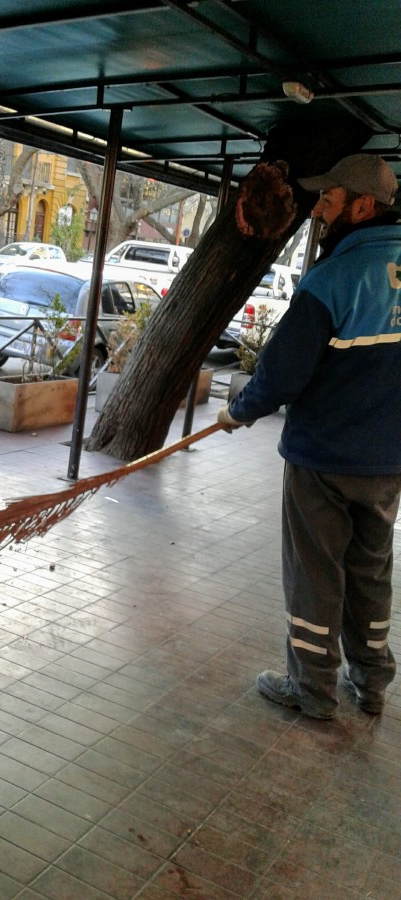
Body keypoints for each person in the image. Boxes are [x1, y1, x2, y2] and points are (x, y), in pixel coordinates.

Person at [218, 153, 401, 719]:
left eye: (329, 198)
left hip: (324, 460)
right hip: (388, 463)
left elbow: (282, 373)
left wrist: (240, 410)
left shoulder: (334, 278)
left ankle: (312, 689)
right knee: (371, 571)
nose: (317, 208)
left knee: (315, 573)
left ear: (362, 206)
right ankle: (371, 683)